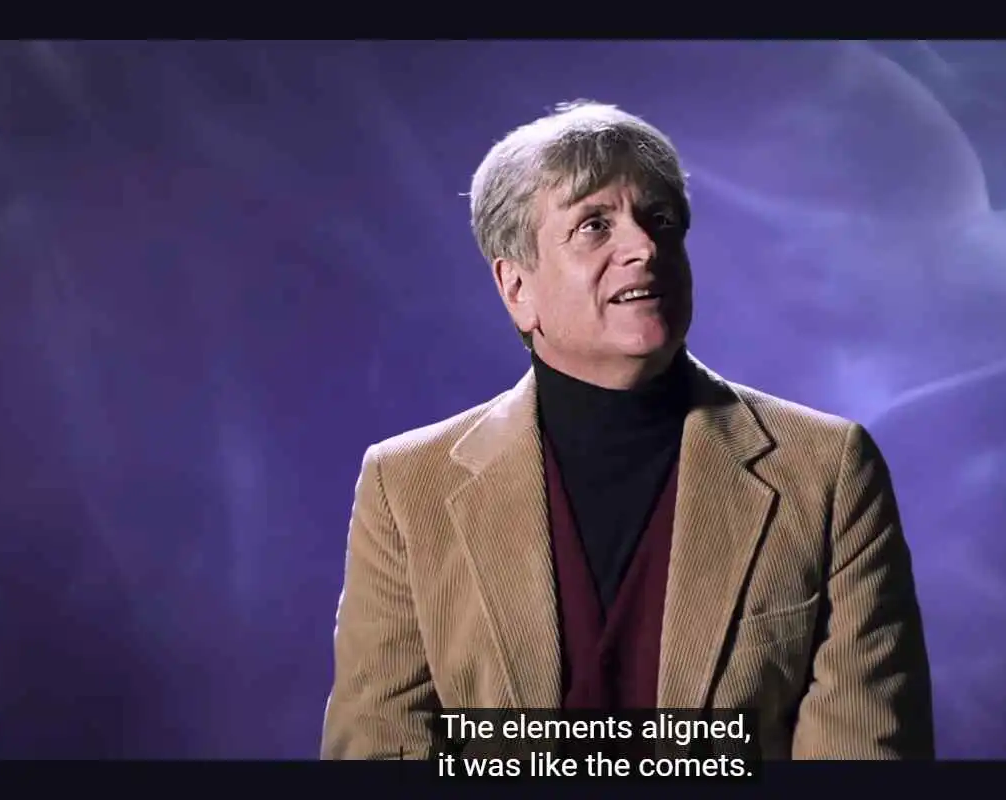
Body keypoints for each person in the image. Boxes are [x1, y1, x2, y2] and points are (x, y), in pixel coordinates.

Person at [320, 100, 934, 760]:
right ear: (516, 287)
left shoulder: (827, 470)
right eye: (593, 225)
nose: (644, 247)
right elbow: (379, 749)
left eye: (660, 220)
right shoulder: (405, 487)